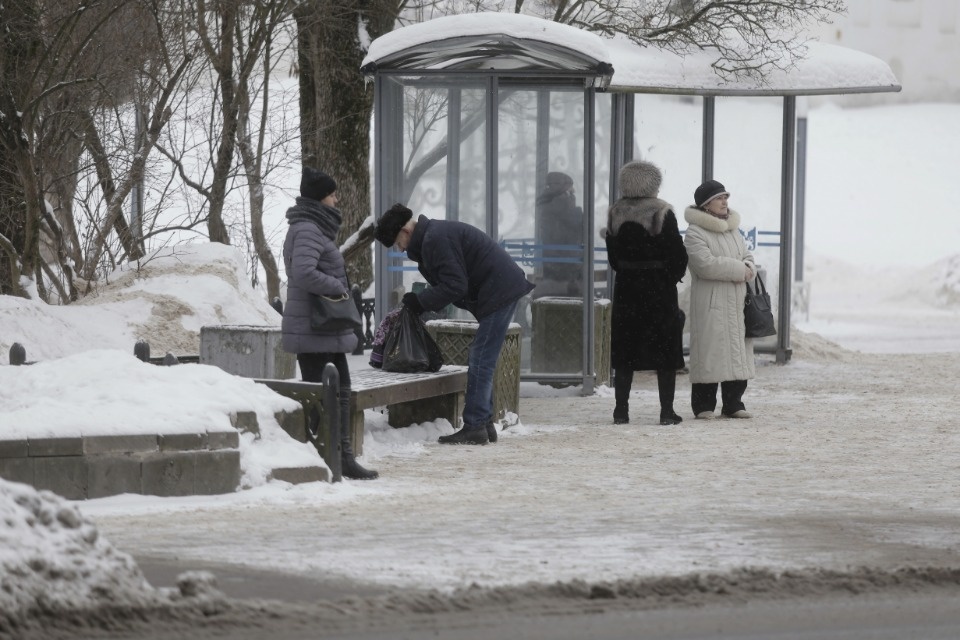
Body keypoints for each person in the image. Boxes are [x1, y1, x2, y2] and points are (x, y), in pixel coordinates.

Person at [374, 204, 536, 445]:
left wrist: (420, 301)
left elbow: (455, 285)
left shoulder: (434, 240)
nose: (399, 248)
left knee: (481, 358)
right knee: (483, 359)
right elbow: (454, 281)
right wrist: (422, 301)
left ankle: (474, 426)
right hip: (499, 288)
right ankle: (483, 423)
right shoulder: (432, 237)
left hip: (499, 291)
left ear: (406, 231)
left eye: (397, 242)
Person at [281, 167, 379, 479]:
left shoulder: (311, 228)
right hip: (314, 328)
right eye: (333, 194)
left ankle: (341, 456)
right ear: (321, 197)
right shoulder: (309, 229)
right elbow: (304, 273)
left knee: (339, 391)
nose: (337, 199)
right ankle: (327, 457)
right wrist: (338, 288)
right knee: (325, 397)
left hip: (323, 328)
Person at [603, 160, 688, 426]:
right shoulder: (662, 212)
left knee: (625, 351)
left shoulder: (615, 212)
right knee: (665, 351)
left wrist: (630, 272)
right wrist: (668, 278)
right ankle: (666, 412)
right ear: (653, 184)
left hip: (627, 289)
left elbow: (613, 258)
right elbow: (677, 253)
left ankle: (621, 411)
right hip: (659, 291)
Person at [683, 179, 756, 420]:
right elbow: (705, 265)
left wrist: (749, 267)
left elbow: (747, 256)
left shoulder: (733, 230)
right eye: (719, 198)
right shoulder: (694, 232)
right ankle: (703, 404)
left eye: (726, 197)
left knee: (736, 350)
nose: (725, 201)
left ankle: (734, 402)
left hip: (737, 302)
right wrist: (740, 270)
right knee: (710, 352)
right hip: (711, 303)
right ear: (705, 205)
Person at [535, 172, 583, 298]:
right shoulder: (561, 206)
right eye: (569, 191)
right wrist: (577, 212)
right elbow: (575, 226)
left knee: (553, 300)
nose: (572, 194)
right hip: (566, 263)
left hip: (553, 263)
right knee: (570, 303)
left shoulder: (546, 205)